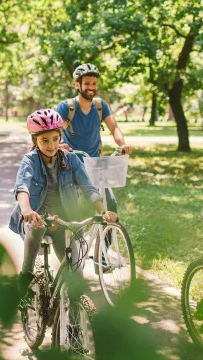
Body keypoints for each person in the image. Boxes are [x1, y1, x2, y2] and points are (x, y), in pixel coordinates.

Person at [8, 108, 117, 297]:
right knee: (38, 224)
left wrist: (103, 211)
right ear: (35, 141)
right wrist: (27, 210)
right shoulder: (30, 161)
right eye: (44, 140)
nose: (51, 145)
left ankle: (72, 320)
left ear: (60, 138)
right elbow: (22, 188)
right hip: (36, 217)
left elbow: (88, 188)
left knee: (74, 275)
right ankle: (26, 272)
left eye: (55, 139)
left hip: (63, 220)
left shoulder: (71, 160)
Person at [56, 63, 133, 212]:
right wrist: (59, 145)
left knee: (110, 206)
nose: (91, 87)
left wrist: (123, 144)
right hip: (71, 165)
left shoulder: (100, 106)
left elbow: (114, 128)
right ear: (77, 85)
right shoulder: (66, 107)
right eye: (87, 83)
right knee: (73, 210)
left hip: (95, 164)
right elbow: (56, 132)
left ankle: (108, 235)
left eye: (94, 83)